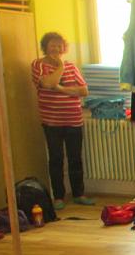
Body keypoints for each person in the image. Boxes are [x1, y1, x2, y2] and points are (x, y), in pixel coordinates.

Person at [31, 32, 93, 210]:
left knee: (75, 159)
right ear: (45, 47)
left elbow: (84, 91)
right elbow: (48, 84)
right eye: (53, 45)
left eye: (59, 45)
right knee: (56, 158)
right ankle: (58, 196)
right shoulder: (38, 65)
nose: (57, 49)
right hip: (52, 122)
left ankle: (78, 194)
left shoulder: (72, 66)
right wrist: (60, 66)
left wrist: (61, 89)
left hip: (74, 120)